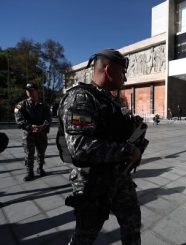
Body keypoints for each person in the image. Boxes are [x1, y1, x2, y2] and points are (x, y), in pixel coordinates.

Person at [58, 49, 143, 245]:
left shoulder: (108, 100)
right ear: (108, 69)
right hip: (93, 183)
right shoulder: (81, 98)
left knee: (132, 225)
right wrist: (128, 151)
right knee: (85, 236)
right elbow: (80, 146)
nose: (125, 77)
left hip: (119, 177)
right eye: (122, 72)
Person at [14, 83, 51, 181]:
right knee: (29, 153)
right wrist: (30, 127)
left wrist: (43, 126)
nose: (29, 92)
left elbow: (49, 118)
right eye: (27, 90)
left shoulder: (44, 105)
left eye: (31, 90)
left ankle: (40, 168)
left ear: (36, 91)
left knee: (41, 153)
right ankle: (29, 172)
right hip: (28, 134)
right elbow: (18, 119)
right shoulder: (19, 105)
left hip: (41, 133)